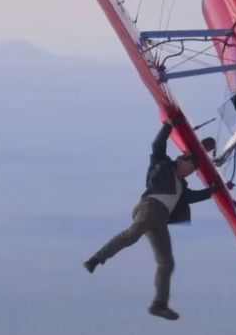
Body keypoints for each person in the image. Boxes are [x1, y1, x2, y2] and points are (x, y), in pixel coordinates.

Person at [84, 118, 220, 320]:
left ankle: (159, 304)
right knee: (131, 236)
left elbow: (192, 197)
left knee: (167, 263)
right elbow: (158, 145)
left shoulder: (181, 187)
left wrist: (212, 191)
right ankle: (96, 259)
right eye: (189, 165)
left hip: (161, 220)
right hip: (149, 208)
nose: (190, 170)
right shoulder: (162, 165)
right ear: (181, 160)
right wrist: (169, 126)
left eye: (193, 170)